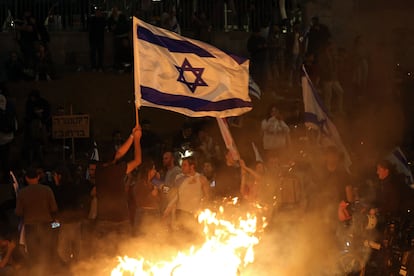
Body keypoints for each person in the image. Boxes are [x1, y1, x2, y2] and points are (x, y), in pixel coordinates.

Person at [94, 125, 142, 239]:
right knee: (124, 253)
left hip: (103, 220)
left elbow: (118, 154)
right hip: (120, 220)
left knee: (104, 255)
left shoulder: (99, 170)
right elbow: (138, 160)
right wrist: (136, 140)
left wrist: (132, 136)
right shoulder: (118, 170)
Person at [15, 167, 58, 274]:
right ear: (38, 177)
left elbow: (18, 212)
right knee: (47, 252)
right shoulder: (47, 190)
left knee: (34, 254)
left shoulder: (22, 193)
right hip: (46, 225)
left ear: (26, 178)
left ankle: (36, 273)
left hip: (31, 227)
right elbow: (54, 208)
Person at [164, 156, 210, 233]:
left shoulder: (201, 179)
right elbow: (175, 196)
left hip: (194, 214)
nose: (182, 167)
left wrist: (201, 210)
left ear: (192, 166)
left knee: (193, 239)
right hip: (180, 213)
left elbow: (207, 197)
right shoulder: (179, 178)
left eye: (184, 165)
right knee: (180, 238)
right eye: (181, 165)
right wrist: (169, 210)